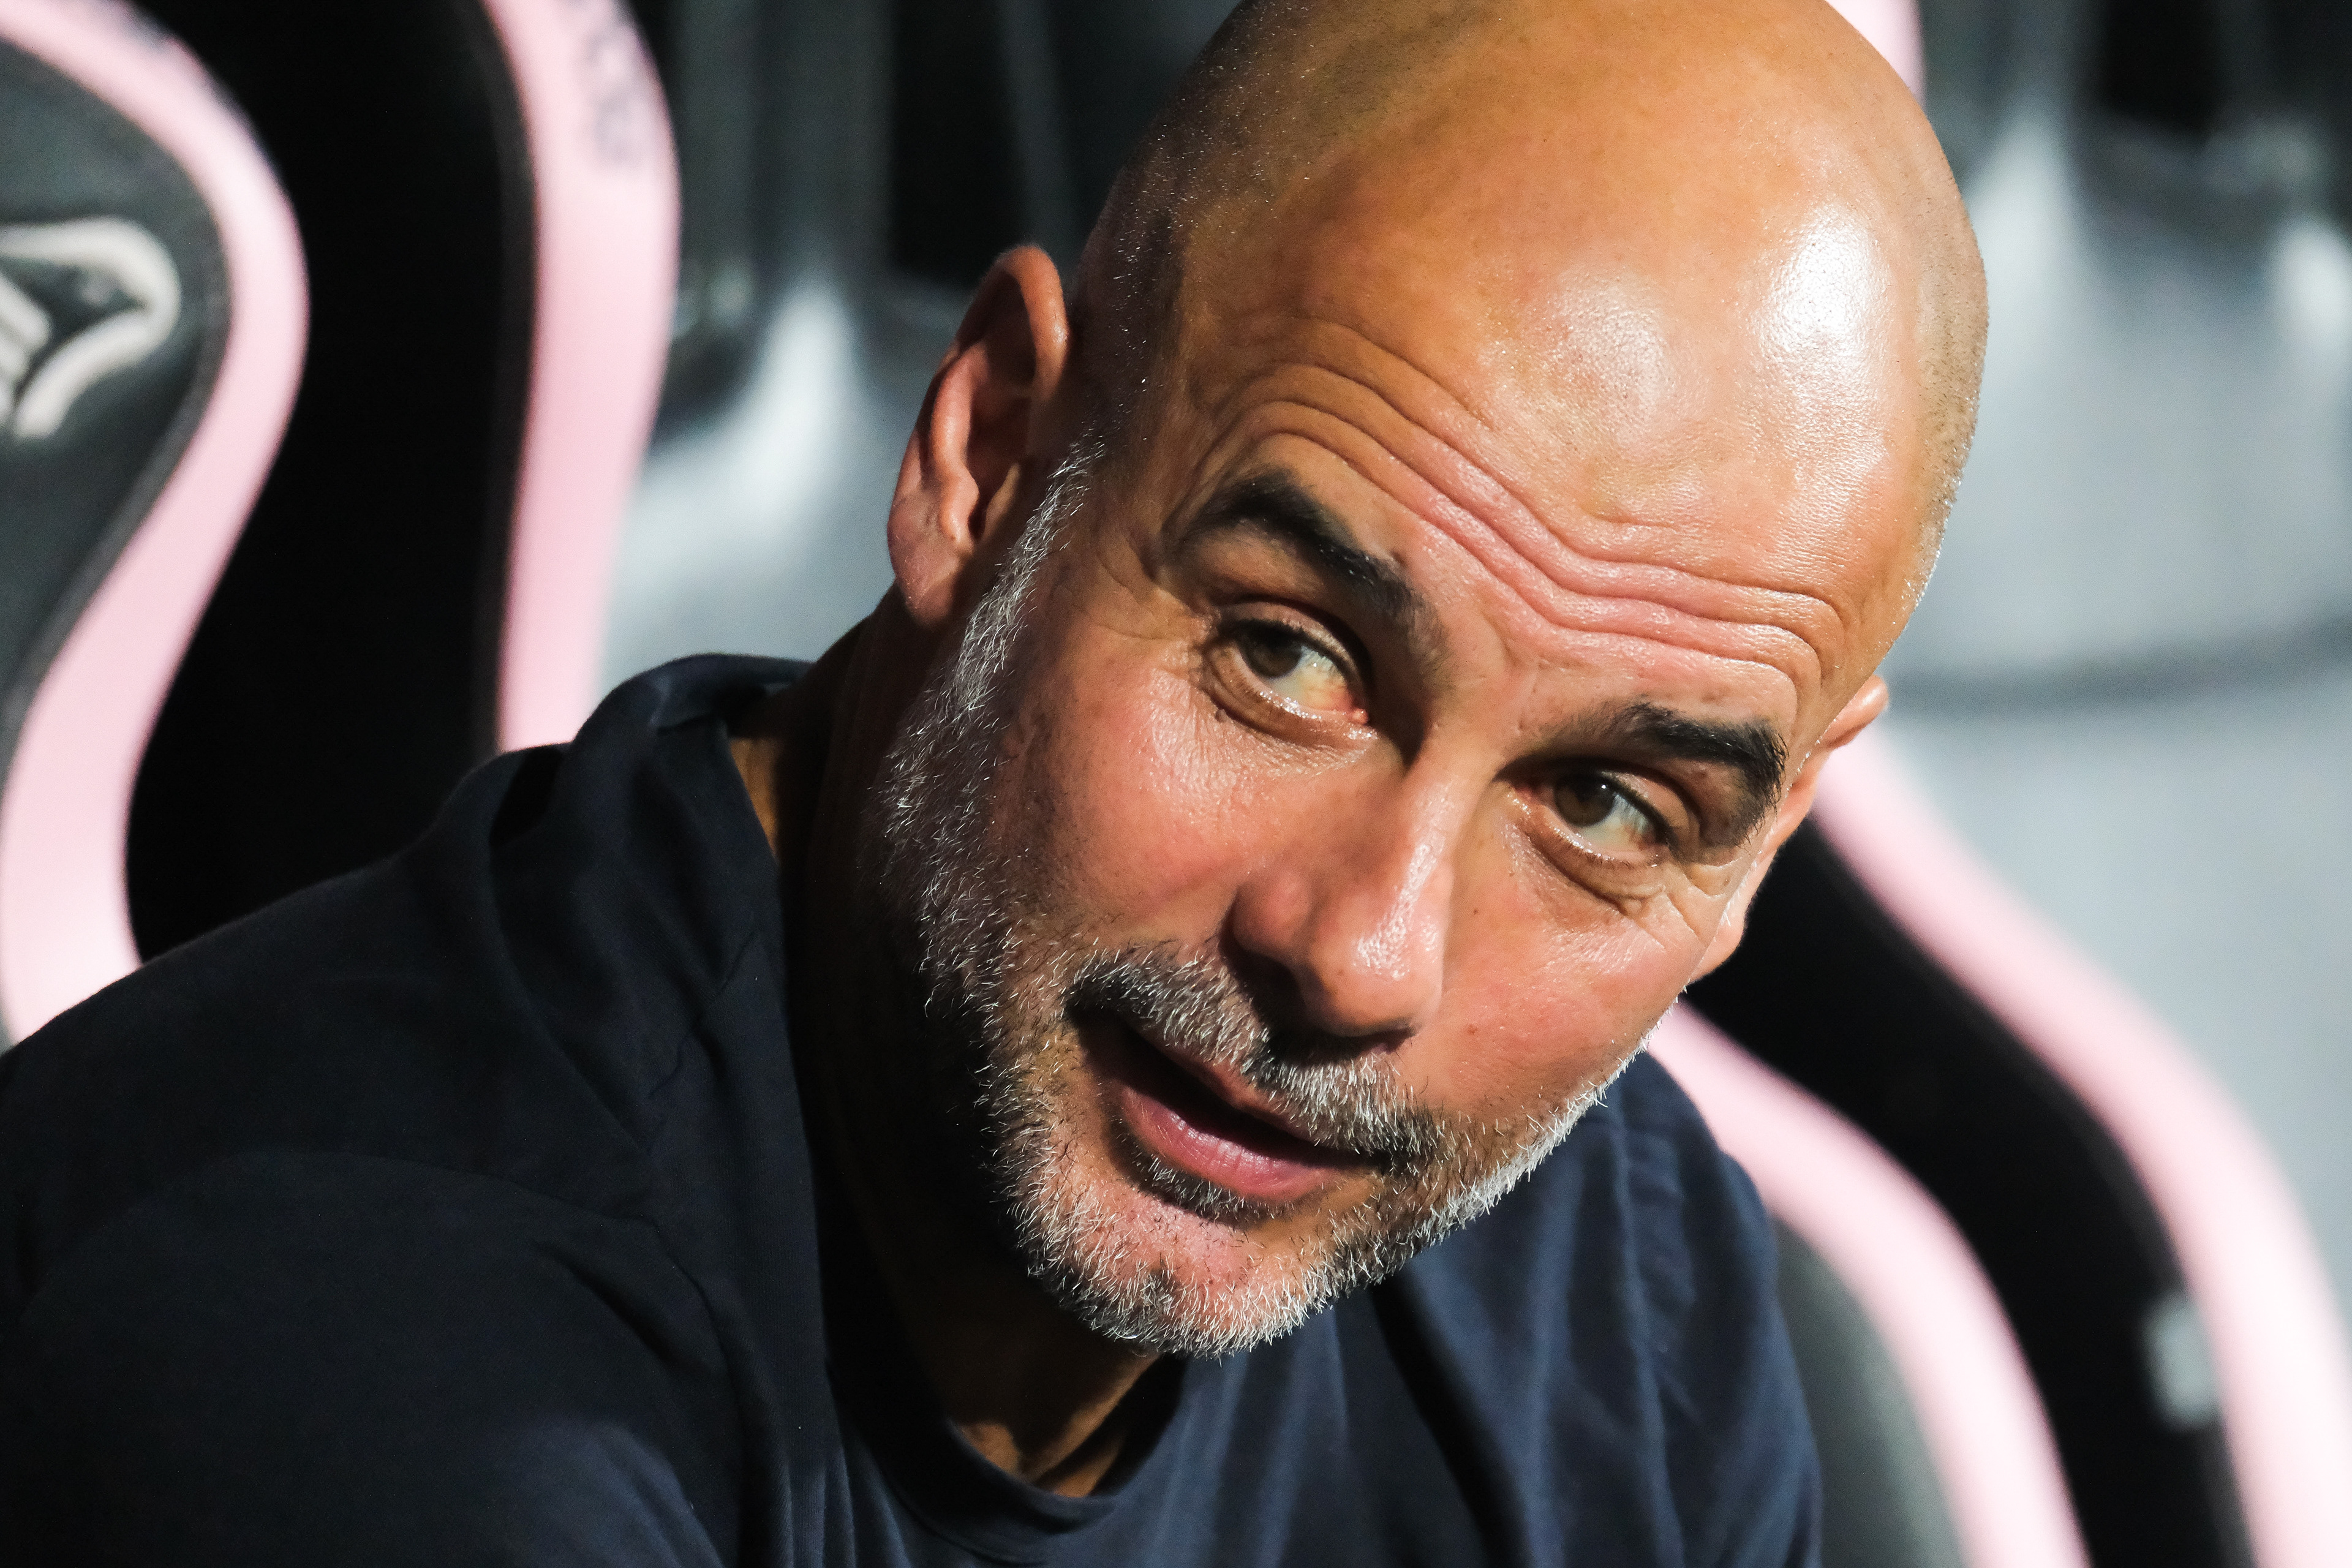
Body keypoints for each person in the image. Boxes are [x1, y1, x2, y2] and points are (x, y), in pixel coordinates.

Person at [0, 0, 1983, 1561]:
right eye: (1288, 662)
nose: (1363, 955)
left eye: (1606, 810)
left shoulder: (1613, 1315)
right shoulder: (352, 1363)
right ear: (992, 455)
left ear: (1764, 846)